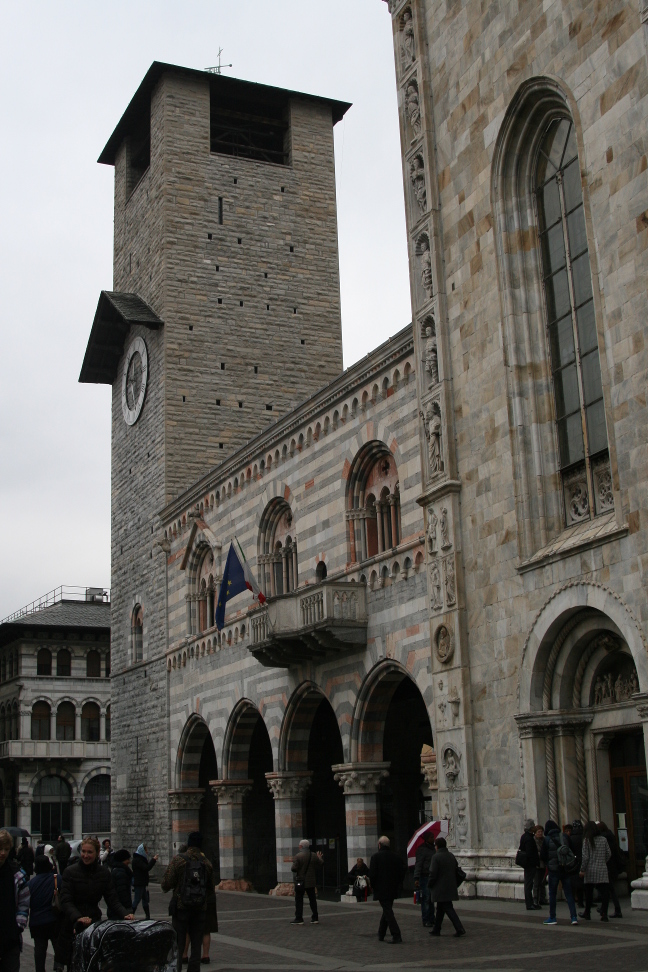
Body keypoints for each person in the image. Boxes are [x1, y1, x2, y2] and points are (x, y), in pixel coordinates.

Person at [57, 836, 134, 969]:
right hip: (72, 924)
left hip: (93, 923)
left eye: (89, 852)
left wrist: (125, 913)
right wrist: (78, 917)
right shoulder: (70, 871)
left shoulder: (103, 873)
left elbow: (112, 899)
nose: (85, 855)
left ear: (97, 853)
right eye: (83, 851)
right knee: (74, 964)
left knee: (94, 963)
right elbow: (66, 900)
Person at [161, 831, 214, 972]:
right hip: (200, 908)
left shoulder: (179, 860)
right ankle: (194, 969)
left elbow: (165, 884)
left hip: (181, 907)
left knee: (178, 943)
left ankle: (177, 968)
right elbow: (210, 889)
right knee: (196, 943)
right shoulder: (207, 863)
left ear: (188, 844)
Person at [0, 829, 30, 972]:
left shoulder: (17, 874)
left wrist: (18, 926)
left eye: (6, 849)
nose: (3, 853)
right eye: (0, 849)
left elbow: (24, 903)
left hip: (10, 939)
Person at [369, 836, 406, 944]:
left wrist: (373, 886)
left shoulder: (375, 857)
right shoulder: (396, 856)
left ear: (379, 845)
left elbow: (372, 874)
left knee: (388, 911)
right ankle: (381, 933)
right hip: (393, 888)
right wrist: (399, 883)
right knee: (387, 909)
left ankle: (396, 935)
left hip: (381, 888)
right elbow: (402, 870)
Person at [540, 820, 578, 925]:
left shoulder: (547, 839)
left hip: (553, 870)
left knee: (552, 894)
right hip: (565, 868)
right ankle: (574, 917)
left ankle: (553, 917)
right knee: (569, 893)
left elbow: (543, 855)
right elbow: (572, 850)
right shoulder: (565, 837)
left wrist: (549, 862)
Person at [427, 836, 466, 937]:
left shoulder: (436, 857)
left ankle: (459, 928)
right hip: (450, 886)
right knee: (440, 908)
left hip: (440, 888)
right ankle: (436, 929)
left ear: (437, 846)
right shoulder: (451, 855)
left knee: (448, 908)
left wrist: (429, 884)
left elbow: (433, 873)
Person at [28, 855, 60, 972]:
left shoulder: (31, 884)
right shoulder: (57, 879)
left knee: (39, 950)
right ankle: (58, 966)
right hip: (54, 920)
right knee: (58, 947)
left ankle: (40, 969)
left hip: (37, 922)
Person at [579, 821, 611, 921]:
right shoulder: (603, 839)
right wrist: (602, 861)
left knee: (589, 892)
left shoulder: (586, 841)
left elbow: (585, 857)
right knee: (605, 892)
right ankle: (604, 913)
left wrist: (582, 869)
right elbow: (608, 853)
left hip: (590, 869)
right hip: (602, 868)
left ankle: (587, 912)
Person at [290, 839, 323, 925]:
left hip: (301, 881)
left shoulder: (298, 856)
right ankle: (315, 917)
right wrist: (320, 857)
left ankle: (299, 918)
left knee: (299, 900)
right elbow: (320, 863)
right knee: (312, 899)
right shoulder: (313, 855)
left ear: (301, 846)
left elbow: (293, 868)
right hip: (311, 881)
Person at [598, 822, 624, 918]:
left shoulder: (604, 839)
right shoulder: (611, 837)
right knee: (608, 889)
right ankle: (604, 908)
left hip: (608, 867)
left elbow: (607, 854)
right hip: (613, 867)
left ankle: (616, 910)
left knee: (609, 890)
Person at [518, 819, 541, 911]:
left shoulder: (525, 836)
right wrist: (535, 862)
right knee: (529, 884)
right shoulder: (528, 838)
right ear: (531, 828)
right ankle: (529, 904)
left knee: (529, 883)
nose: (535, 827)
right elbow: (530, 853)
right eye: (533, 826)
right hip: (530, 864)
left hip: (528, 864)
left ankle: (530, 903)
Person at [414, 832, 436, 925]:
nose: (433, 839)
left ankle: (432, 917)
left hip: (432, 876)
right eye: (431, 837)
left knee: (431, 898)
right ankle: (426, 919)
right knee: (426, 898)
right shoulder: (422, 849)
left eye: (433, 837)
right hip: (425, 876)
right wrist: (416, 877)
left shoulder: (434, 848)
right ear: (427, 839)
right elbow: (418, 864)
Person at [132, 844, 158, 919]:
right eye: (145, 850)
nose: (147, 852)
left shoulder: (140, 859)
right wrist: (153, 860)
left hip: (143, 882)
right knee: (137, 899)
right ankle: (131, 914)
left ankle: (147, 916)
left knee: (145, 900)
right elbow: (146, 868)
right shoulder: (138, 860)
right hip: (139, 883)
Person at [107, 850, 133, 918]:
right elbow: (122, 893)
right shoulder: (121, 872)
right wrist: (127, 909)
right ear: (122, 860)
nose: (129, 861)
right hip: (121, 909)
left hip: (115, 908)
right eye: (127, 859)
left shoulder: (115, 869)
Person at [569, 821, 584, 908]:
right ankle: (582, 900)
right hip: (583, 861)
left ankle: (574, 899)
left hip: (574, 862)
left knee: (574, 882)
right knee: (583, 882)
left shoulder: (571, 838)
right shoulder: (584, 837)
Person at [532, 826, 547, 906]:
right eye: (539, 832)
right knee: (536, 883)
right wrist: (541, 854)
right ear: (535, 833)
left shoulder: (544, 840)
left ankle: (542, 898)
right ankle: (535, 899)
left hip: (543, 864)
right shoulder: (533, 841)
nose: (540, 833)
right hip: (537, 864)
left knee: (543, 882)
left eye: (541, 831)